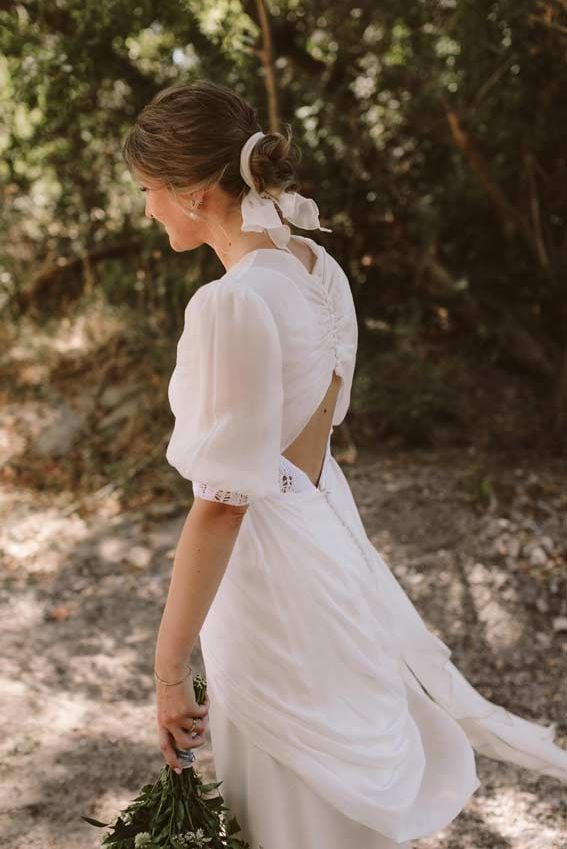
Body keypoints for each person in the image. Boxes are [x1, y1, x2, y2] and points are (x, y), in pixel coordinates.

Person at [122, 79, 567, 849]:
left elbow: (224, 500)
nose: (148, 210)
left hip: (267, 569)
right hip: (328, 535)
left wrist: (168, 671)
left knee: (290, 790)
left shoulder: (230, 305)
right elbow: (309, 438)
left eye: (149, 192)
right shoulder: (316, 271)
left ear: (194, 193)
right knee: (331, 776)